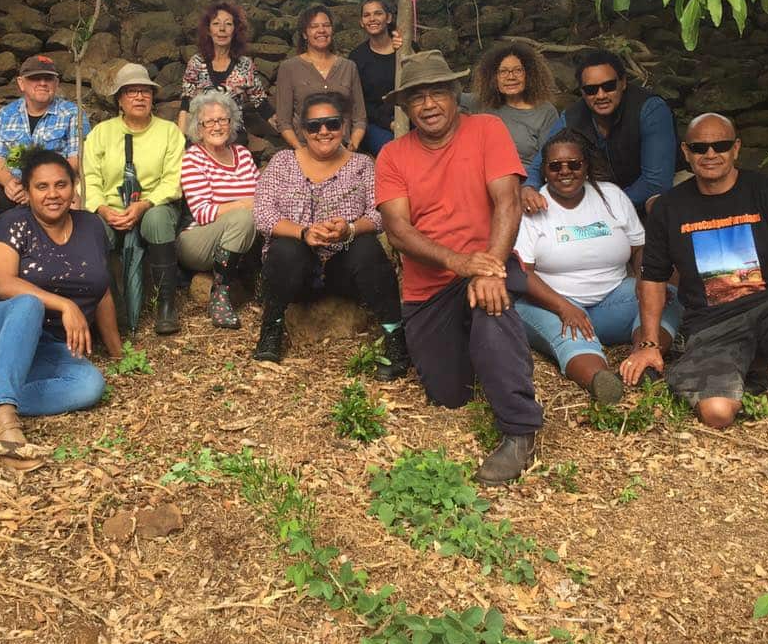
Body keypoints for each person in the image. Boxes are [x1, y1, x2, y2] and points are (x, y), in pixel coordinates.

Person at [375, 50, 542, 485]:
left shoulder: (487, 129)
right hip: (429, 286)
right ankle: (496, 355)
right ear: (405, 107)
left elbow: (507, 201)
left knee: (490, 307)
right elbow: (397, 229)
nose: (428, 106)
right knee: (449, 396)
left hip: (487, 264)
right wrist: (457, 262)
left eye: (437, 94)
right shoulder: (393, 156)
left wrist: (486, 268)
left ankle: (520, 429)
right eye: (416, 99)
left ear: (454, 95)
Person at [0, 149, 117, 448]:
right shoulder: (12, 223)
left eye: (61, 185)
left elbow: (101, 288)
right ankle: (5, 419)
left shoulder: (91, 226)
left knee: (89, 385)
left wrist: (117, 353)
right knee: (29, 303)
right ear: (26, 192)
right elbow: (3, 284)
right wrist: (65, 304)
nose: (53, 194)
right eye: (42, 187)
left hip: (41, 346)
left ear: (74, 186)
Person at [626, 113, 768, 429]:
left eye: (719, 145)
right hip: (713, 324)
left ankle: (754, 363)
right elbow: (652, 277)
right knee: (717, 413)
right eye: (699, 147)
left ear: (736, 148)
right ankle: (745, 369)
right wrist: (649, 344)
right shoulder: (669, 207)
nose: (710, 154)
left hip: (767, 308)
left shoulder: (764, 191)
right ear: (686, 152)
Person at [513, 129, 682, 404]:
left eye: (574, 164)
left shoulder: (611, 196)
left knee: (667, 297)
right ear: (544, 171)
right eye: (555, 166)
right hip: (551, 301)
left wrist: (643, 281)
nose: (565, 171)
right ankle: (601, 381)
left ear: (586, 167)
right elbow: (523, 273)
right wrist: (564, 307)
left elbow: (640, 250)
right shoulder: (534, 207)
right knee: (569, 333)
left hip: (612, 297)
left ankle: (645, 359)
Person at [253, 91, 408, 378]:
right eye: (314, 126)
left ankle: (394, 336)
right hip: (294, 271)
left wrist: (349, 229)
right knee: (286, 248)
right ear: (302, 130)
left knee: (366, 247)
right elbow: (263, 215)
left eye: (332, 124)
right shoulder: (282, 163)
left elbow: (379, 214)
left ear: (344, 126)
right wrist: (304, 232)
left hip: (342, 269)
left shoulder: (362, 165)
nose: (324, 131)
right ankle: (271, 327)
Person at [84, 62, 184, 335]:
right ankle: (110, 308)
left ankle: (166, 305)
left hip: (153, 205)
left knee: (156, 220)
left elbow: (172, 180)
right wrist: (103, 209)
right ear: (119, 99)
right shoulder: (101, 134)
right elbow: (89, 177)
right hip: (111, 209)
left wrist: (143, 205)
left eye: (145, 91)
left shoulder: (169, 132)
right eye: (131, 92)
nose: (139, 97)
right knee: (93, 231)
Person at [522, 49, 676, 216]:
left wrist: (602, 207)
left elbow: (656, 182)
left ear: (623, 82)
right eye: (591, 90)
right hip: (600, 198)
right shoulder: (572, 116)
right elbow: (540, 162)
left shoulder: (650, 109)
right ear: (581, 92)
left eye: (609, 86)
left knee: (658, 204)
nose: (601, 95)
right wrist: (529, 188)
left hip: (645, 197)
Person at [0, 54, 89, 241]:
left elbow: (76, 160)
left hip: (53, 190)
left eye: (48, 78)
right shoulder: (6, 114)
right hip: (16, 190)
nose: (43, 83)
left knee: (77, 198)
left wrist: (38, 188)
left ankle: (63, 257)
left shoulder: (72, 113)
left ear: (56, 83)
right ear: (21, 83)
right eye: (35, 78)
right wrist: (8, 182)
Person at [177, 90, 259, 329]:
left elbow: (263, 199)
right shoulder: (193, 158)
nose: (217, 126)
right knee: (245, 217)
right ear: (198, 127)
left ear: (231, 123)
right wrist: (244, 204)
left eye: (222, 119)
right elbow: (202, 212)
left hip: (236, 233)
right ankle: (220, 295)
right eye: (209, 121)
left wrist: (250, 205)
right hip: (196, 241)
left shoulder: (242, 155)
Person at [177, 0, 276, 144]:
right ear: (209, 31)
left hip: (234, 137)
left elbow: (261, 103)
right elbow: (186, 104)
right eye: (216, 24)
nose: (222, 29)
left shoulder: (245, 64)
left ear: (235, 30)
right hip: (201, 136)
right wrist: (181, 143)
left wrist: (286, 129)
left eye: (228, 24)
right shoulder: (196, 62)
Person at [275, 5, 366, 151]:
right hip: (305, 149)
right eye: (314, 26)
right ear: (305, 34)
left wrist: (352, 147)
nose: (321, 30)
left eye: (326, 25)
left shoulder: (348, 67)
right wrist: (300, 151)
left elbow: (359, 117)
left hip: (342, 148)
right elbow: (283, 122)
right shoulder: (289, 68)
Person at [470, 41, 558, 174]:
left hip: (526, 180)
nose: (511, 77)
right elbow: (450, 94)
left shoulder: (545, 112)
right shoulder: (480, 103)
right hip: (484, 177)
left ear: (529, 74)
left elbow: (549, 159)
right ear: (493, 77)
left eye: (518, 70)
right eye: (503, 71)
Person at [348, 0, 404, 157]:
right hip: (376, 123)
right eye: (367, 15)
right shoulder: (357, 57)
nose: (372, 19)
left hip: (410, 115)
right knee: (395, 154)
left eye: (378, 13)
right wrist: (390, 123)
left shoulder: (406, 48)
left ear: (388, 18)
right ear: (361, 22)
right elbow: (359, 102)